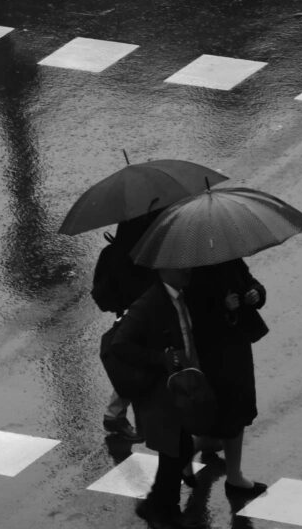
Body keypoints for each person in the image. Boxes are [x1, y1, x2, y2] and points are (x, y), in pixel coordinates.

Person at [109, 267, 206, 528]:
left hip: (177, 387)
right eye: (181, 266)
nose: (188, 271)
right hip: (159, 392)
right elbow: (120, 344)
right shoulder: (149, 304)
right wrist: (159, 359)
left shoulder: (179, 296)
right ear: (165, 269)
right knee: (175, 448)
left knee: (178, 448)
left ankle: (158, 505)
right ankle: (162, 508)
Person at [184, 259, 269, 499]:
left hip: (236, 347)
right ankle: (229, 473)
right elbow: (192, 314)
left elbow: (250, 282)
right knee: (227, 413)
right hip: (214, 354)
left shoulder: (229, 260)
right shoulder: (193, 271)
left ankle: (232, 473)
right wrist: (223, 308)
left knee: (233, 413)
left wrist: (256, 294)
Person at [98, 212, 161, 442]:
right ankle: (123, 416)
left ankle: (116, 413)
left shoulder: (118, 247)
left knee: (135, 366)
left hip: (131, 312)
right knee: (140, 366)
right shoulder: (146, 242)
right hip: (142, 313)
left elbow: (103, 293)